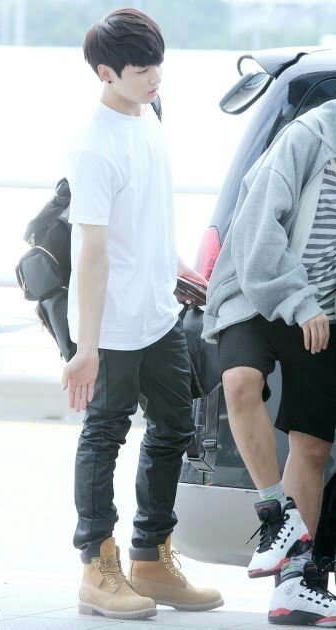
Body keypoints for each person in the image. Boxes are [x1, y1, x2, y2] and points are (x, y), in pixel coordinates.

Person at [61, 7, 223, 621]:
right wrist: (86, 348)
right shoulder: (92, 146)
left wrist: (178, 270)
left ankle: (151, 559)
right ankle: (96, 569)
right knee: (104, 435)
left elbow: (149, 213)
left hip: (158, 312)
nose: (156, 79)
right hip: (112, 325)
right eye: (142, 71)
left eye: (159, 66)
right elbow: (92, 251)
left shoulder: (149, 114)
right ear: (106, 73)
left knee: (176, 427)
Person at [202, 99, 336, 626]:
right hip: (256, 292)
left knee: (313, 444)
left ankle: (296, 587)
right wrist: (297, 301)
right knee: (240, 380)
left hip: (323, 309)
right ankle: (275, 513)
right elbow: (259, 232)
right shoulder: (308, 136)